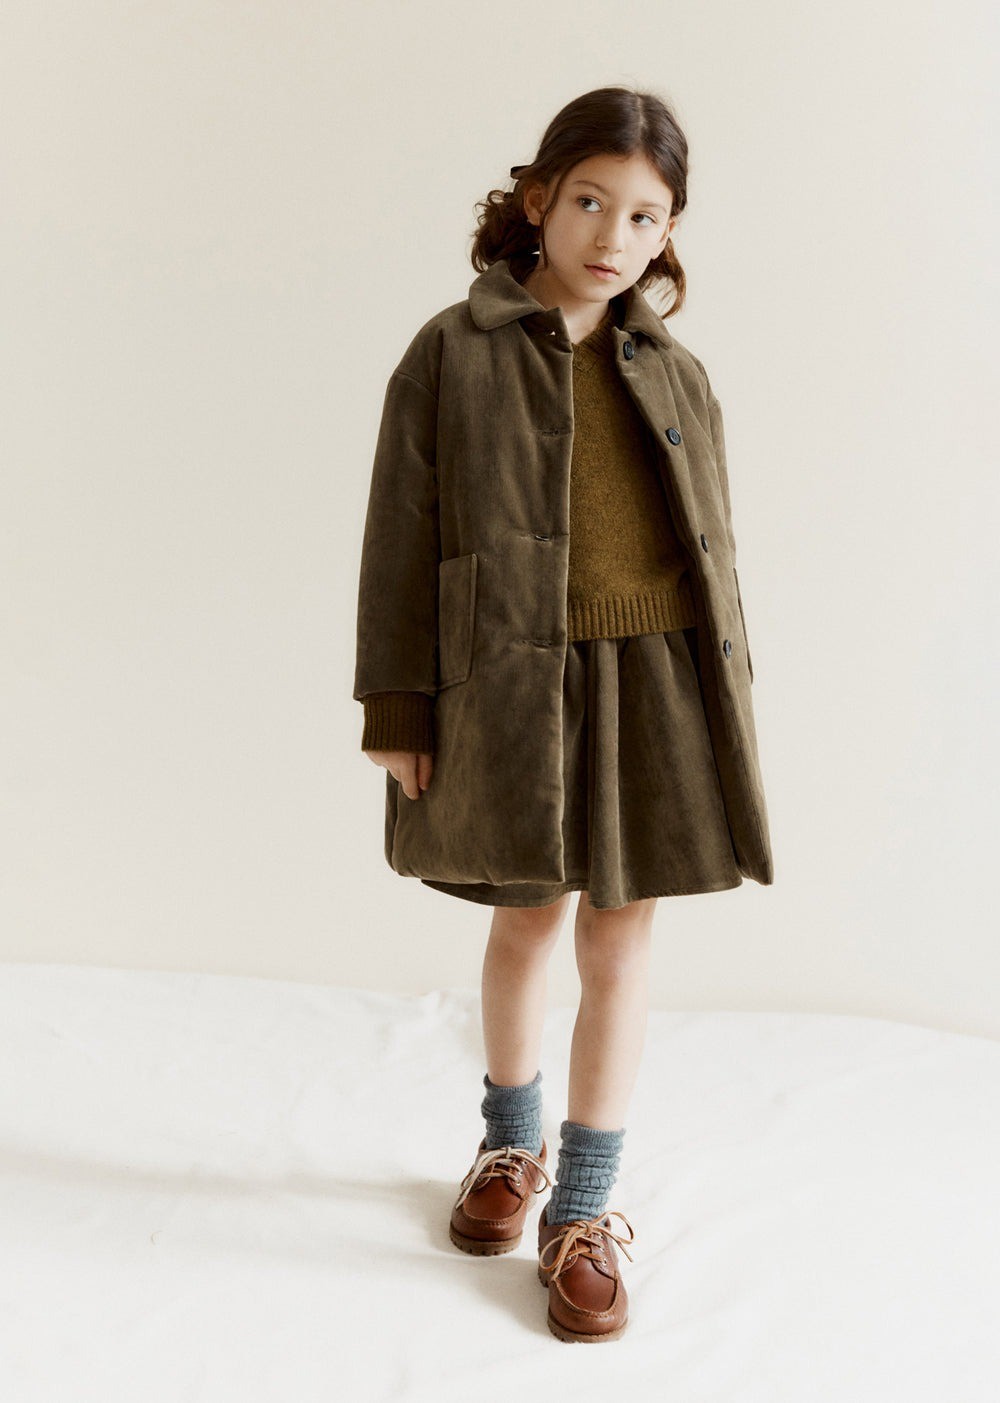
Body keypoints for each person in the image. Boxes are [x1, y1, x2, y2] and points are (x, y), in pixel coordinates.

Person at [352, 84, 774, 1344]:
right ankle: (508, 1142)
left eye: (644, 215)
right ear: (537, 198)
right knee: (525, 917)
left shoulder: (677, 373)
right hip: (507, 679)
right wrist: (399, 701)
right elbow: (400, 534)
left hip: (652, 680)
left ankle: (583, 1206)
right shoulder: (452, 350)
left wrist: (723, 700)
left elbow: (714, 554)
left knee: (621, 939)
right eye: (589, 200)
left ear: (668, 231)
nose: (611, 234)